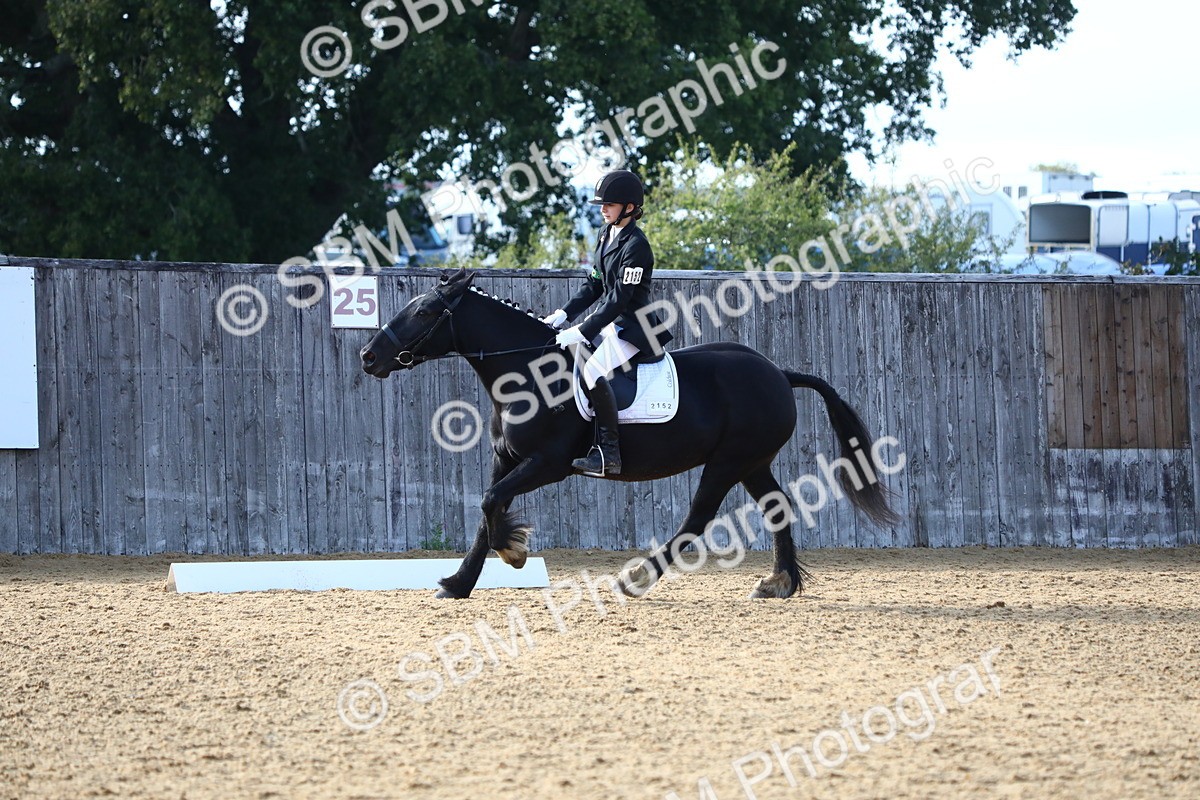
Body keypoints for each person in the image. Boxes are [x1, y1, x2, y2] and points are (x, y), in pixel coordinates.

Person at [541, 169, 673, 476]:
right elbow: (595, 284)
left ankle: (608, 453)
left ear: (629, 208)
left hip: (635, 328)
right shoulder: (606, 234)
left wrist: (582, 330)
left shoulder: (637, 245)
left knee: (592, 370)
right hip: (615, 324)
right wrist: (564, 314)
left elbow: (619, 300)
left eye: (609, 204)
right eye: (602, 204)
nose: (603, 209)